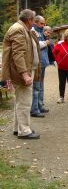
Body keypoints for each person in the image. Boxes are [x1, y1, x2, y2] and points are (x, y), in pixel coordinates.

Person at [1, 9, 40, 139]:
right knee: (24, 102)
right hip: (22, 72)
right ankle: (24, 131)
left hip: (25, 70)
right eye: (34, 20)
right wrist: (24, 74)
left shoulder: (23, 29)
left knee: (20, 100)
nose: (34, 23)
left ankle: (18, 128)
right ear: (29, 20)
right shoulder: (19, 29)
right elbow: (18, 54)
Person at [31, 15, 50, 117]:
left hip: (43, 63)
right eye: (42, 23)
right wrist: (45, 42)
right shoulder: (33, 31)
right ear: (35, 22)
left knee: (41, 86)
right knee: (36, 87)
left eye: (44, 23)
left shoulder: (41, 31)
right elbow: (34, 44)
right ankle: (34, 109)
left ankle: (40, 105)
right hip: (37, 63)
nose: (43, 25)